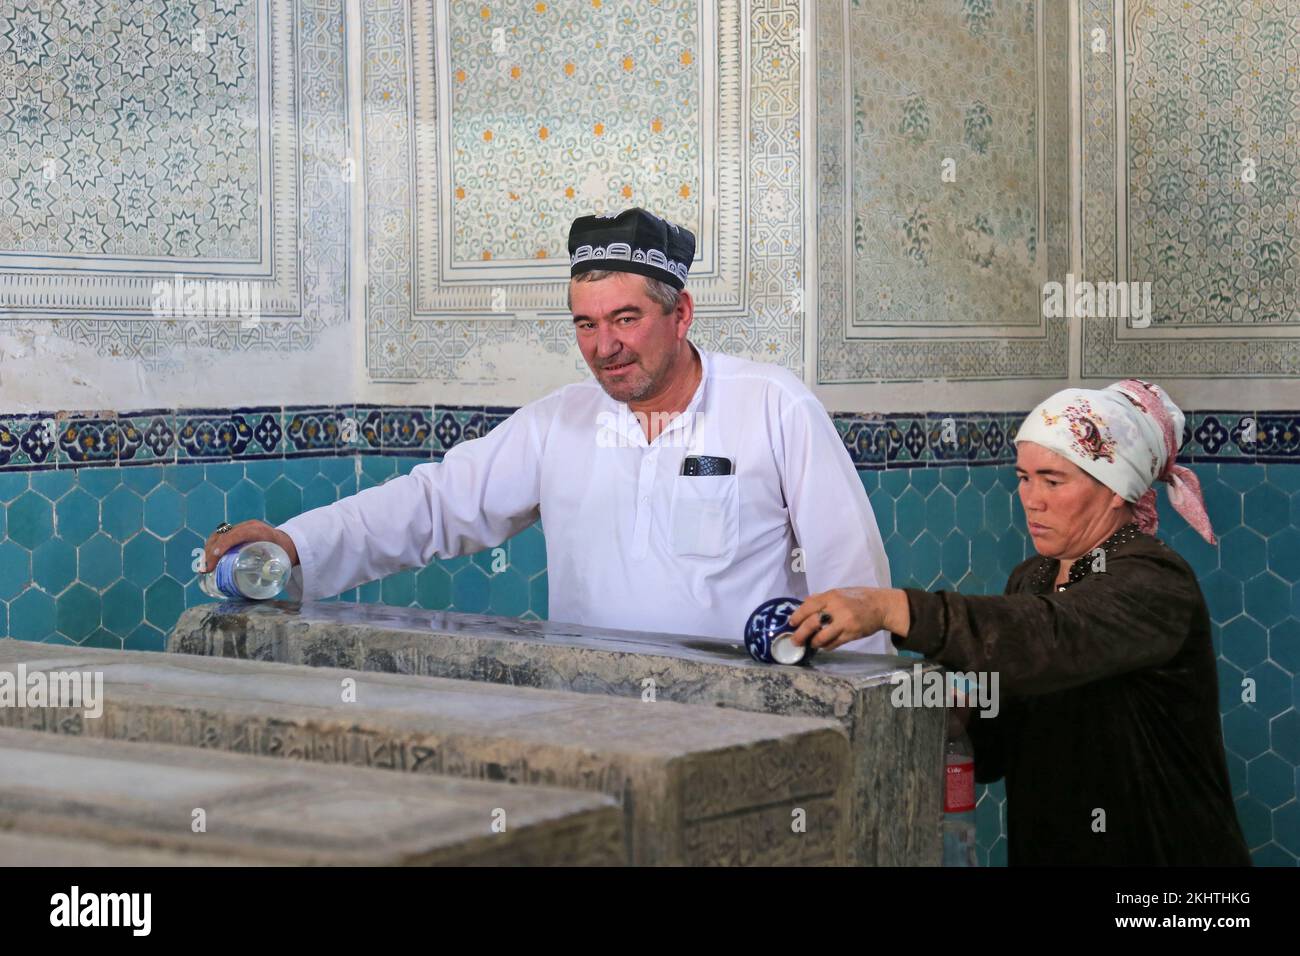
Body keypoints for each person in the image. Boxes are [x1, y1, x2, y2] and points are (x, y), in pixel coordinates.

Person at [204, 208, 892, 650]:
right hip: (597, 718)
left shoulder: (773, 407)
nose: (604, 347)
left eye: (626, 319)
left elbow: (853, 589)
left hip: (755, 726)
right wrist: (294, 544)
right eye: (585, 325)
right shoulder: (558, 423)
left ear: (680, 315)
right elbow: (433, 505)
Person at [788, 379, 1251, 865]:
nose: (1032, 499)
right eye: (1024, 478)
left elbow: (1052, 636)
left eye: (1053, 481)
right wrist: (960, 716)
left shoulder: (1154, 582)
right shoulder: (1033, 578)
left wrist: (891, 608)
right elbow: (1008, 734)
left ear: (1117, 489)